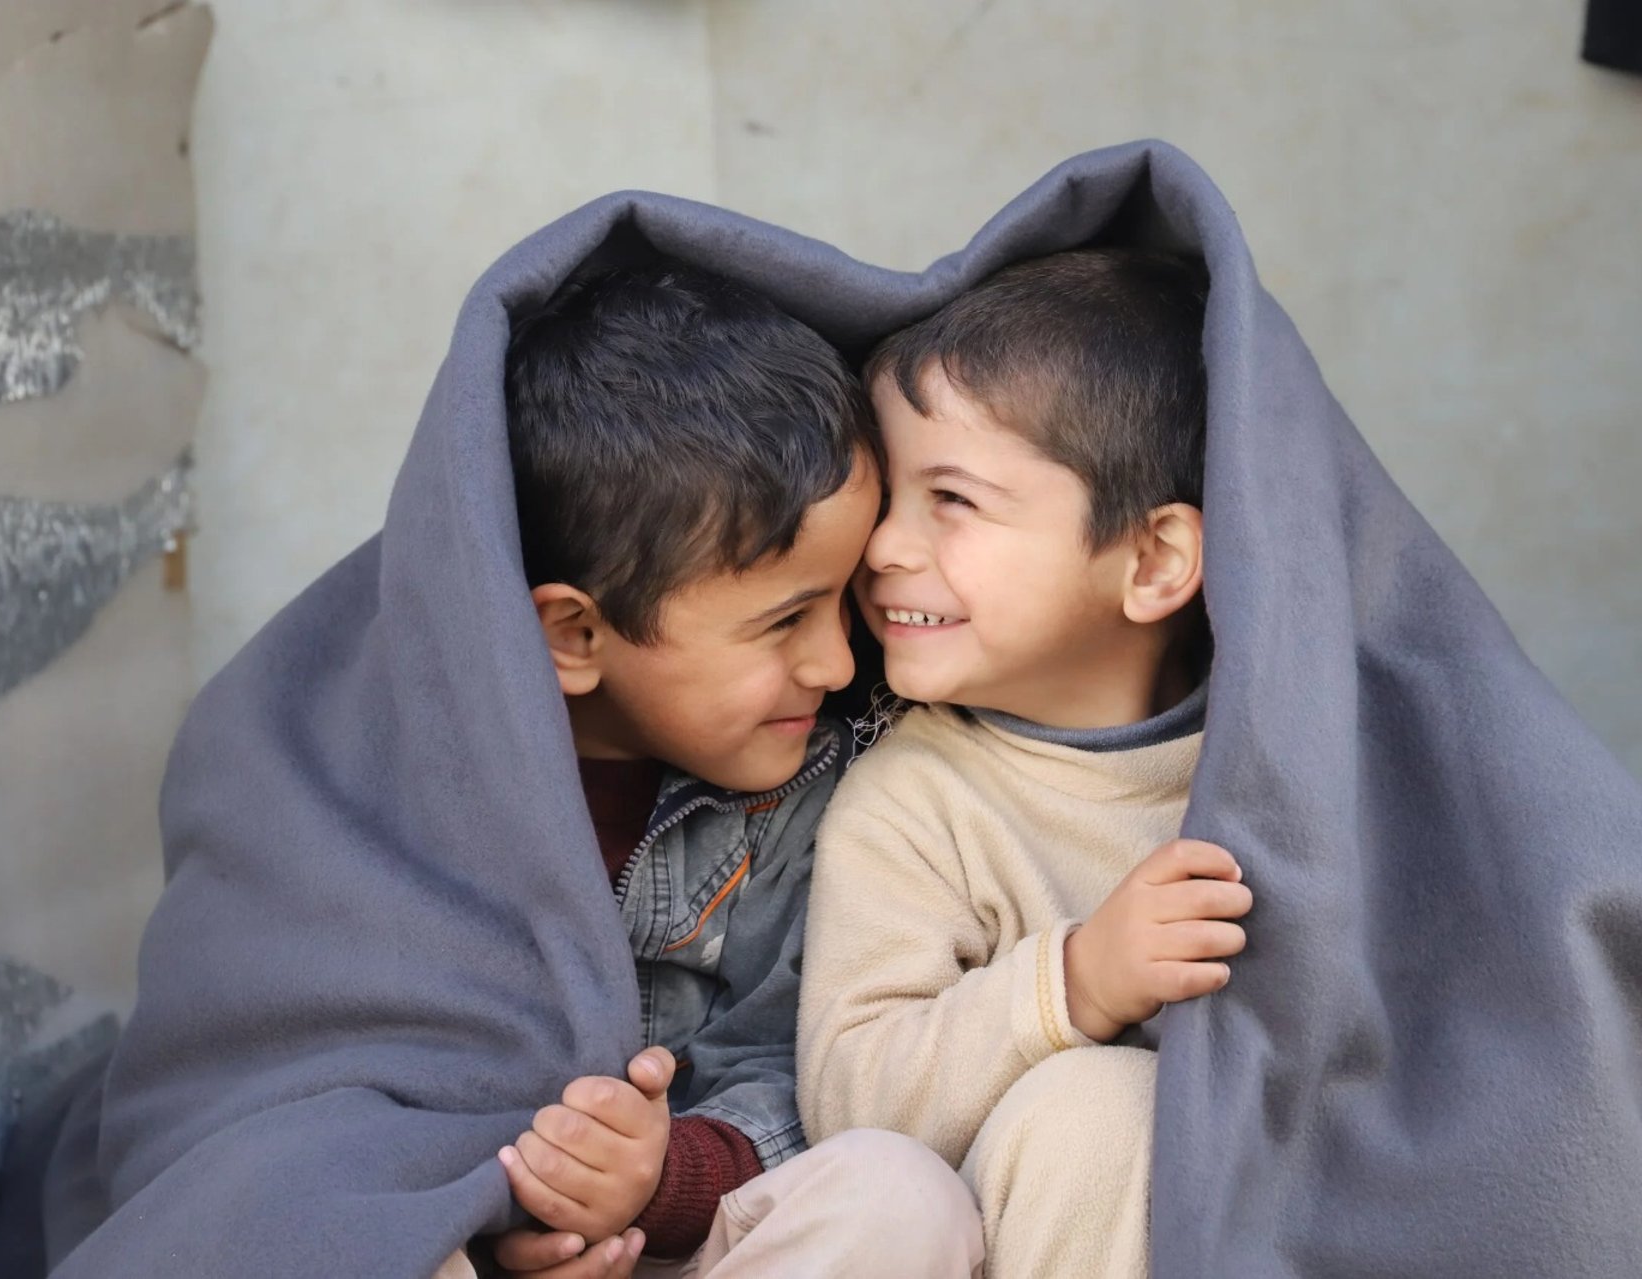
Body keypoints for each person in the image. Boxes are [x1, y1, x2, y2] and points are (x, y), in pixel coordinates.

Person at [468, 261, 983, 1279]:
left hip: (686, 1242)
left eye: (843, 604)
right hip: (467, 1228)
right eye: (786, 619)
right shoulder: (405, 773)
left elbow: (811, 1060)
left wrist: (660, 1182)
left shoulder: (811, 784)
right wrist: (490, 1220)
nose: (840, 664)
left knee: (898, 1197)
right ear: (575, 633)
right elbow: (318, 1067)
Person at [797, 248, 1251, 1278]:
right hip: (1010, 1228)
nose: (880, 549)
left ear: (1152, 562)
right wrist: (1075, 981)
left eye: (949, 499)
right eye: (888, 497)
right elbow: (849, 1100)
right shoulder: (913, 800)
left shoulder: (1274, 747)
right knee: (1093, 1111)